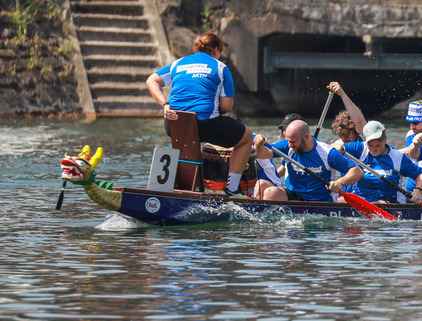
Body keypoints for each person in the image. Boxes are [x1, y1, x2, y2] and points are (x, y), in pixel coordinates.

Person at [146, 31, 252, 197]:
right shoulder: (220, 68)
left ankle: (183, 184)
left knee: (191, 138)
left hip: (173, 124)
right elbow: (225, 108)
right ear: (216, 49)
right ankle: (232, 189)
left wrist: (165, 104)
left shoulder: (177, 64)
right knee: (247, 138)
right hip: (205, 125)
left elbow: (151, 80)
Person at [252, 119, 362, 202]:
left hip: (320, 200)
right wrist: (258, 144)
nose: (290, 145)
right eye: (288, 141)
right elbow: (263, 154)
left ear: (306, 137)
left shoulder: (327, 153)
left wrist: (339, 182)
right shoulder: (287, 145)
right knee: (270, 192)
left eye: (293, 142)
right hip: (294, 195)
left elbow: (357, 171)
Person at [337, 120, 422, 204]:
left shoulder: (397, 157)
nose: (373, 149)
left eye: (378, 145)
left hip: (388, 202)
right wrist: (337, 148)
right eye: (370, 145)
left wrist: (418, 190)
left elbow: (420, 174)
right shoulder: (359, 148)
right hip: (359, 200)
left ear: (385, 139)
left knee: (380, 203)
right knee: (333, 201)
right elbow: (331, 149)